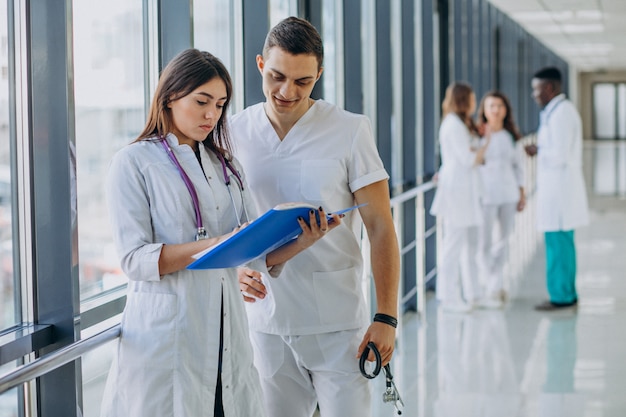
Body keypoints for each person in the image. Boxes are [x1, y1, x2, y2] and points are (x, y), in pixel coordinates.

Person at [100, 48, 339, 417]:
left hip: (227, 341)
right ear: (169, 97)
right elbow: (134, 260)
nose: (212, 115)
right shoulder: (133, 163)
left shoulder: (225, 164)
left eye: (221, 104)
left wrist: (303, 240)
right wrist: (213, 244)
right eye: (201, 102)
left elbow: (247, 251)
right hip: (167, 344)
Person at [230, 17, 401, 417]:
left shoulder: (349, 129)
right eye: (276, 76)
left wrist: (386, 316)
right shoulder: (234, 131)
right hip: (264, 323)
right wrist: (235, 270)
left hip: (338, 323)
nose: (287, 91)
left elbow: (380, 227)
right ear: (259, 65)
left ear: (319, 75)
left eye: (303, 82)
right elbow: (226, 223)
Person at [525, 66, 589, 311]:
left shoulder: (562, 113)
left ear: (549, 88)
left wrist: (538, 150)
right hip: (558, 190)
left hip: (561, 192)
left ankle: (562, 297)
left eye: (536, 89)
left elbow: (560, 154)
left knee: (558, 245)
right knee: (560, 244)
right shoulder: (556, 112)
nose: (534, 94)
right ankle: (566, 293)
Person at [430, 82, 488, 313]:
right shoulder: (453, 125)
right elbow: (468, 159)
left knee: (469, 245)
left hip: (465, 190)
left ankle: (473, 293)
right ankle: (449, 297)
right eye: (472, 98)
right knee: (453, 246)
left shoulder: (459, 124)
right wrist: (487, 142)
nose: (475, 103)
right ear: (464, 100)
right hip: (457, 192)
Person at [475, 91, 526, 308]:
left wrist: (522, 193)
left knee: (503, 241)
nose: (496, 110)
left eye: (500, 106)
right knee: (484, 243)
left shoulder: (511, 136)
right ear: (484, 111)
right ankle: (489, 284)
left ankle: (495, 284)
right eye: (491, 106)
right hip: (485, 195)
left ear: (506, 110)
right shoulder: (477, 135)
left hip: (508, 194)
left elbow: (519, 166)